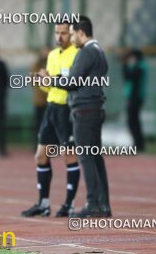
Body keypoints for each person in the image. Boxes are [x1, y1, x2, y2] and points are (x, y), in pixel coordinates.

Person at [39, 15, 111, 218]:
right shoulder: (99, 52)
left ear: (81, 32)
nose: (71, 38)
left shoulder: (86, 52)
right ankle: (103, 204)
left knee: (86, 157)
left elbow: (72, 82)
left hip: (84, 110)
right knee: (96, 157)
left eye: (72, 33)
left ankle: (93, 204)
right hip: (96, 108)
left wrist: (49, 79)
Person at [21, 23, 81, 218]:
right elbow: (49, 88)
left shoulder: (77, 55)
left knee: (69, 156)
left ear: (71, 35)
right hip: (51, 108)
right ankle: (43, 204)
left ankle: (69, 205)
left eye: (64, 33)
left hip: (68, 110)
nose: (60, 36)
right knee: (40, 155)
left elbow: (74, 84)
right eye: (57, 32)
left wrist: (52, 80)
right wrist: (42, 81)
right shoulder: (53, 55)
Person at [121, 49, 147, 152]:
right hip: (134, 97)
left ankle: (138, 144)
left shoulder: (140, 67)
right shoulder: (139, 66)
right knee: (133, 121)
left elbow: (129, 76)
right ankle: (138, 144)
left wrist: (125, 65)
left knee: (133, 121)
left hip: (135, 97)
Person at [30, 47, 50, 149]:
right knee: (38, 124)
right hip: (39, 101)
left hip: (49, 100)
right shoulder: (36, 66)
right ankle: (37, 145)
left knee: (49, 125)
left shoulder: (51, 65)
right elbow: (34, 81)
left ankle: (49, 146)